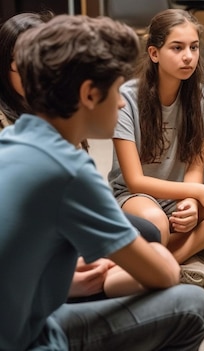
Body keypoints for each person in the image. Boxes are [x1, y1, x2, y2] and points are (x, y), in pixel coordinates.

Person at [0, 14, 204, 350]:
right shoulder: (69, 170)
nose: (120, 101)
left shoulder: (12, 140)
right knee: (194, 306)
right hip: (28, 340)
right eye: (116, 89)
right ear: (89, 94)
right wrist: (153, 255)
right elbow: (163, 274)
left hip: (28, 318)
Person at [0, 11, 163, 301]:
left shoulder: (30, 130)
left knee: (144, 235)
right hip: (27, 322)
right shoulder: (62, 164)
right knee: (189, 302)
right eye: (116, 90)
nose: (123, 102)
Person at [107, 9, 204, 297]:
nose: (188, 56)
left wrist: (192, 200)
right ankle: (190, 252)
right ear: (154, 53)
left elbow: (196, 166)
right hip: (134, 197)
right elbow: (134, 180)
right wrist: (198, 194)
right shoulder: (128, 97)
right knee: (156, 222)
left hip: (182, 193)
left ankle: (170, 263)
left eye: (194, 48)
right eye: (177, 47)